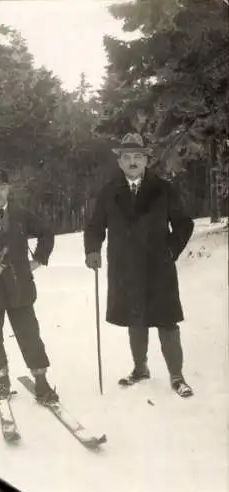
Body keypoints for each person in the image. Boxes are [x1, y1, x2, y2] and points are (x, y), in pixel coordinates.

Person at [84, 132, 194, 398]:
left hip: (159, 267)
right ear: (120, 162)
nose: (132, 162)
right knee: (135, 319)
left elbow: (183, 223)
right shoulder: (110, 191)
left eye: (138, 157)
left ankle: (177, 376)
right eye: (127, 157)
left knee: (167, 321)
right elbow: (94, 225)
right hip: (125, 268)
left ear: (146, 160)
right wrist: (92, 250)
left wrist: (170, 250)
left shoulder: (164, 189)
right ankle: (140, 368)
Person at [0, 168, 59, 403]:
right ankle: (2, 381)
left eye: (2, 187)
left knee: (30, 334)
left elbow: (46, 232)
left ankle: (42, 383)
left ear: (8, 189)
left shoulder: (21, 214)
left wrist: (39, 259)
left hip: (19, 288)